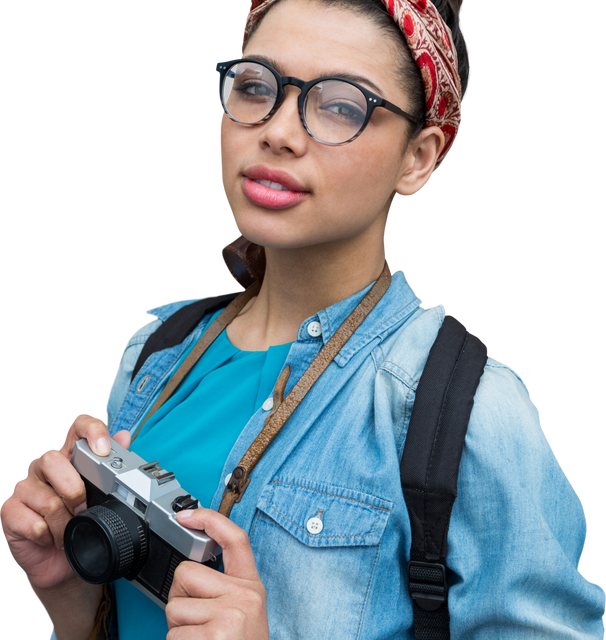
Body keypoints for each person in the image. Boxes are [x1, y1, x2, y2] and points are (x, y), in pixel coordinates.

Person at [2, 0, 604, 638]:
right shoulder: (155, 351)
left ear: (420, 159)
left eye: (341, 105)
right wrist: (67, 599)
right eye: (256, 86)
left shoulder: (470, 411)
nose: (279, 131)